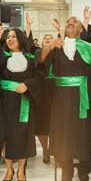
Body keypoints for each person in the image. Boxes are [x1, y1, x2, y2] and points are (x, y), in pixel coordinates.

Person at [40, 17, 91, 181]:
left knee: (84, 136)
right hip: (61, 98)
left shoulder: (90, 49)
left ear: (81, 30)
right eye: (68, 21)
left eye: (75, 22)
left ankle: (84, 174)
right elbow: (40, 64)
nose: (70, 22)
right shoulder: (57, 47)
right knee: (63, 136)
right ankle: (66, 174)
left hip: (84, 98)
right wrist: (49, 46)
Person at [0, 24, 41, 181]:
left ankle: (21, 169)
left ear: (20, 40)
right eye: (8, 37)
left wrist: (28, 84)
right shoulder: (2, 58)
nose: (10, 39)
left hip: (23, 101)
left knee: (22, 135)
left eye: (13, 37)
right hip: (4, 101)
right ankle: (9, 169)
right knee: (6, 136)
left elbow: (39, 76)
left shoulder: (31, 59)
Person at [34, 33, 55, 164]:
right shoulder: (38, 52)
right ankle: (45, 151)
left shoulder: (59, 52)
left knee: (57, 121)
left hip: (57, 88)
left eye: (50, 38)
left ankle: (57, 150)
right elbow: (40, 62)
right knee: (42, 122)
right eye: (45, 39)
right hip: (42, 89)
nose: (47, 39)